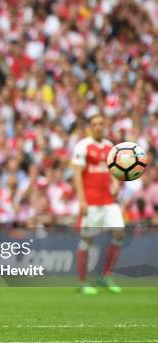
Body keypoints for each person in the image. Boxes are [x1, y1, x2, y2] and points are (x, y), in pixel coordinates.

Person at [72, 110, 125, 294]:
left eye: (101, 124)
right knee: (87, 239)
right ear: (89, 127)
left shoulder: (110, 146)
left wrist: (116, 183)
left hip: (109, 201)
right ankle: (81, 282)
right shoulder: (82, 146)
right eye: (94, 124)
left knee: (119, 233)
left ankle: (106, 277)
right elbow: (77, 174)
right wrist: (81, 200)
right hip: (91, 201)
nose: (98, 127)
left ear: (105, 125)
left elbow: (112, 169)